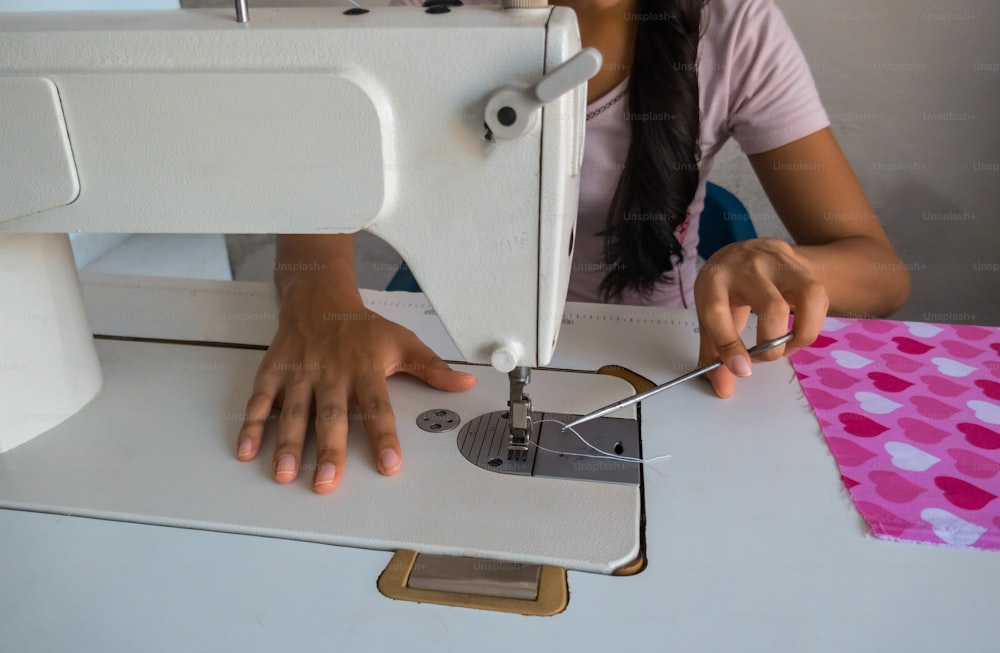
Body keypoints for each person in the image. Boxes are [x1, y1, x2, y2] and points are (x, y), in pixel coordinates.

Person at [235, 0, 911, 493]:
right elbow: (316, 198)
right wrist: (319, 294)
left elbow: (879, 270)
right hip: (449, 340)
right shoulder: (423, 17)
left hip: (664, 360)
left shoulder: (734, 29)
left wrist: (787, 263)